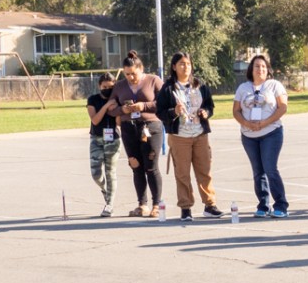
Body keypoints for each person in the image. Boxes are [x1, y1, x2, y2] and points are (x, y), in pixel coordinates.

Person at [156, 52, 222, 221]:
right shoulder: (168, 88)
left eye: (188, 64)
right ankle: (186, 208)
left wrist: (205, 112)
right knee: (183, 174)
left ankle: (210, 205)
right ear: (174, 67)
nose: (186, 67)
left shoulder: (200, 85)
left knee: (204, 171)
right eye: (181, 64)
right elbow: (160, 112)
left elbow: (209, 105)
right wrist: (173, 111)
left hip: (200, 134)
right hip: (180, 136)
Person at [107, 50, 165, 218]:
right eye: (127, 74)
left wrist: (143, 106)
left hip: (150, 127)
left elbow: (162, 103)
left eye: (134, 73)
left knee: (151, 166)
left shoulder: (153, 80)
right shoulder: (119, 86)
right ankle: (142, 204)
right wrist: (122, 110)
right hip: (128, 128)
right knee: (136, 166)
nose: (131, 77)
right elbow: (111, 109)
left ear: (141, 69)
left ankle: (156, 204)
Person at [233, 54, 290, 218]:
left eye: (263, 66)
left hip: (271, 132)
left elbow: (282, 108)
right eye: (257, 66)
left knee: (270, 168)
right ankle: (263, 205)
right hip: (249, 135)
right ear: (251, 69)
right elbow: (236, 111)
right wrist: (246, 123)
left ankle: (281, 205)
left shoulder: (274, 85)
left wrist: (265, 122)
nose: (260, 69)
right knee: (258, 172)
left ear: (268, 70)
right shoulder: (243, 88)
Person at [87, 75, 121, 217]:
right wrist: (107, 106)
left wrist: (117, 109)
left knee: (110, 171)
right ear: (100, 86)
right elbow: (95, 120)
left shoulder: (117, 99)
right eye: (104, 87)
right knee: (96, 174)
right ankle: (105, 189)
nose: (107, 89)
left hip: (112, 139)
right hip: (97, 138)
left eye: (110, 87)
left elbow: (119, 122)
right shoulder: (93, 100)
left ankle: (109, 204)